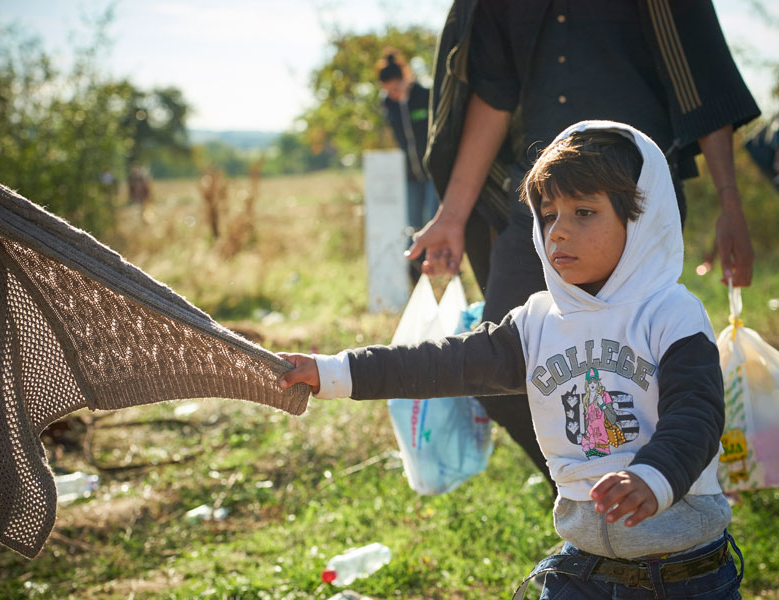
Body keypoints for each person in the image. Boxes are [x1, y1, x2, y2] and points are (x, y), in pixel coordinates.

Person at [278, 121, 743, 598]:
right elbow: (441, 363)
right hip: (583, 570)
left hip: (685, 574)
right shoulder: (537, 321)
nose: (558, 232)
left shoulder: (671, 314)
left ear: (640, 220)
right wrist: (333, 371)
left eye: (584, 212)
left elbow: (697, 415)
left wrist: (653, 476)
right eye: (549, 213)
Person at [412, 0, 761, 488]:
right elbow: (492, 96)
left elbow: (700, 74)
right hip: (538, 200)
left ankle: (658, 492)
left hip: (627, 205)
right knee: (498, 374)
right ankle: (589, 501)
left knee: (638, 371)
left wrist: (730, 202)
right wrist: (450, 217)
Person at [376, 50, 439, 259]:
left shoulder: (424, 96)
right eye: (387, 91)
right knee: (412, 224)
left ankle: (440, 264)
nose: (392, 94)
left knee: (432, 220)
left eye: (395, 88)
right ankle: (416, 268)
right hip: (410, 175)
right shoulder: (388, 104)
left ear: (405, 79)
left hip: (431, 172)